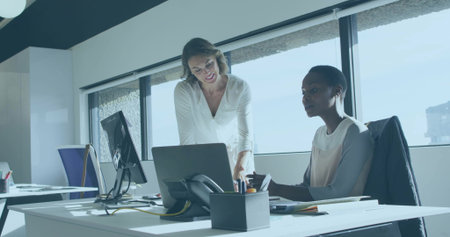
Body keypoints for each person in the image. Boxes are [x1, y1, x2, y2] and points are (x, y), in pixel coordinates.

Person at [248, 65, 373, 201]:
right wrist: (271, 189)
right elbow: (307, 186)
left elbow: (338, 193)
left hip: (345, 216)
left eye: (313, 90)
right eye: (303, 92)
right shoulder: (319, 134)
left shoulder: (355, 132)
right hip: (318, 213)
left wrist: (278, 189)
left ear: (337, 91)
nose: (305, 98)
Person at [174, 37, 254, 181]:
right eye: (197, 70)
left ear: (217, 58)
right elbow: (187, 141)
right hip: (204, 163)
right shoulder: (184, 91)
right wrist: (191, 176)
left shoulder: (240, 87)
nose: (206, 73)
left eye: (209, 64)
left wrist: (240, 168)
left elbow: (245, 135)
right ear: (190, 72)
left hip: (239, 160)